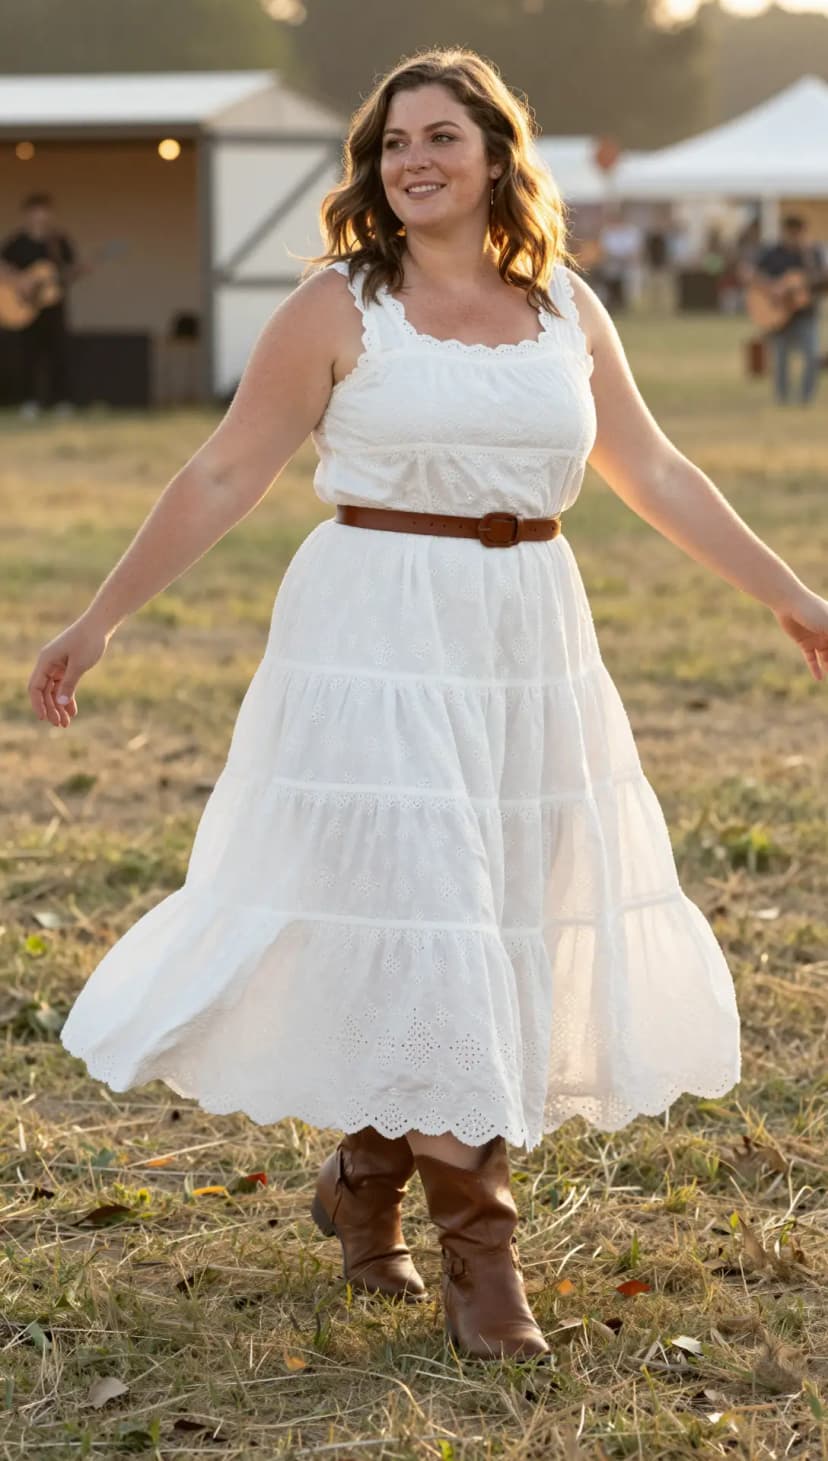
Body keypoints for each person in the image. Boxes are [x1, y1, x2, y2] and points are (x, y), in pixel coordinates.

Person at [27, 50, 828, 1362]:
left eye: (442, 136)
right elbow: (225, 472)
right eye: (393, 142)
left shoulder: (565, 305)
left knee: (491, 916)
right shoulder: (338, 306)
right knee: (429, 909)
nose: (414, 161)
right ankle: (484, 1263)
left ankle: (364, 1177)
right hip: (374, 630)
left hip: (528, 638)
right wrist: (98, 616)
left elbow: (657, 470)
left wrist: (794, 596)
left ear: (498, 156)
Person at [0, 192, 86, 419]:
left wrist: (76, 272)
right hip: (24, 307)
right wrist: (20, 282)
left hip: (53, 307)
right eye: (36, 212)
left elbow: (68, 271)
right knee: (28, 354)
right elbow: (3, 268)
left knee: (58, 353)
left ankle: (62, 402)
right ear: (28, 214)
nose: (41, 217)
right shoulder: (16, 243)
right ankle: (29, 402)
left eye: (45, 212)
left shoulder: (58, 242)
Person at [749, 215, 825, 405]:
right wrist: (772, 287)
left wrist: (806, 256)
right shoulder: (773, 253)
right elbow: (750, 272)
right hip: (779, 314)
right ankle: (782, 398)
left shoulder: (812, 253)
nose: (794, 237)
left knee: (811, 354)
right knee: (781, 358)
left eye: (797, 233)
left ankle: (805, 398)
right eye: (791, 233)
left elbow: (820, 280)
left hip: (806, 313)